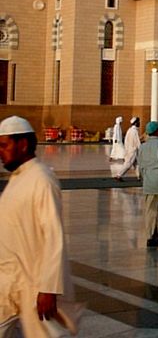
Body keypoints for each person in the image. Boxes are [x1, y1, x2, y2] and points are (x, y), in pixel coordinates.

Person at [0, 115, 80, 337]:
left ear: (23, 144)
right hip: (9, 281)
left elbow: (53, 236)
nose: (0, 152)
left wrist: (49, 289)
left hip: (34, 285)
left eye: (4, 145)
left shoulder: (42, 179)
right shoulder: (18, 178)